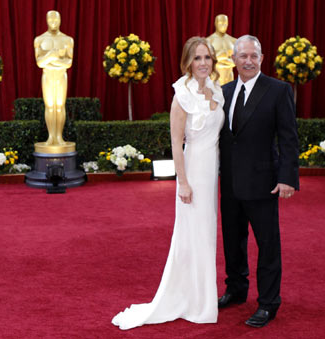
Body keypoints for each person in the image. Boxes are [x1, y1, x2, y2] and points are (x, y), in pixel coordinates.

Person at [111, 37, 224, 330]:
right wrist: (182, 182)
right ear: (188, 61)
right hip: (193, 174)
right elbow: (176, 143)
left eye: (207, 58)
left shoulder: (216, 89)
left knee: (207, 234)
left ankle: (202, 296)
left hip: (213, 173)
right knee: (192, 235)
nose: (203, 63)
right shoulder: (181, 94)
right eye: (197, 58)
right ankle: (194, 301)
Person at [218, 35, 299, 328]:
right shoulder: (223, 92)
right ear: (234, 59)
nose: (248, 61)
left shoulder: (278, 90)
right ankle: (236, 290)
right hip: (229, 184)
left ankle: (268, 303)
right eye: (243, 56)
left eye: (254, 56)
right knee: (232, 241)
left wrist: (287, 177)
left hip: (264, 182)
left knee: (267, 245)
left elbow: (289, 137)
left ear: (262, 58)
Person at [34, 10, 73, 147]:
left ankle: (59, 136)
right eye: (51, 20)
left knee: (60, 106)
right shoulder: (39, 39)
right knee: (50, 107)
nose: (53, 23)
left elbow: (68, 63)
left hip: (61, 75)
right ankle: (51, 137)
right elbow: (40, 63)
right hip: (48, 76)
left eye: (56, 20)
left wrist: (50, 59)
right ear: (46, 21)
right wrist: (54, 55)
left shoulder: (67, 40)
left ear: (60, 20)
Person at [207, 14, 236, 85]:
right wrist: (226, 57)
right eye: (220, 23)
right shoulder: (209, 41)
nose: (223, 26)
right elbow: (207, 60)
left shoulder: (234, 41)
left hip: (229, 77)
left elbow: (237, 61)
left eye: (225, 23)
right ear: (215, 23)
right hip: (214, 77)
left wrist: (218, 57)